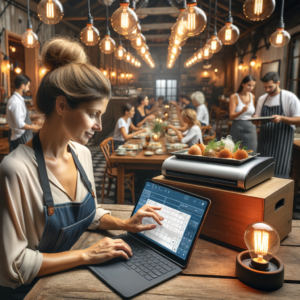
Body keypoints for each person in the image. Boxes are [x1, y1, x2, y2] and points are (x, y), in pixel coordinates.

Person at [0, 37, 163, 299]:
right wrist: (87, 254)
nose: (99, 125)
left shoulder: (83, 154)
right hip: (31, 292)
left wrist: (125, 223)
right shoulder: (15, 169)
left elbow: (89, 213)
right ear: (62, 105)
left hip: (74, 279)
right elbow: (13, 267)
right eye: (93, 114)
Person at [253, 72, 300, 178]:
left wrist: (282, 118)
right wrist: (255, 119)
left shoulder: (289, 97)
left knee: (279, 174)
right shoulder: (262, 99)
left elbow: (299, 119)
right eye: (265, 87)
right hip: (264, 143)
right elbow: (257, 116)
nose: (267, 90)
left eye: (270, 87)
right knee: (262, 173)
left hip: (282, 144)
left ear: (278, 83)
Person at [6, 74, 40, 152]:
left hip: (22, 137)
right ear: (22, 86)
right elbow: (20, 124)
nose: (28, 89)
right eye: (28, 86)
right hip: (20, 138)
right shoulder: (16, 102)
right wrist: (34, 127)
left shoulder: (17, 99)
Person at [229, 75, 257, 152]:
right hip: (237, 126)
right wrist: (242, 111)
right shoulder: (234, 97)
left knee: (252, 151)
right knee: (235, 151)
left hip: (251, 127)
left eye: (253, 86)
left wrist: (255, 116)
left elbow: (252, 113)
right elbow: (231, 116)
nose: (251, 88)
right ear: (243, 84)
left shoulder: (253, 97)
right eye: (249, 85)